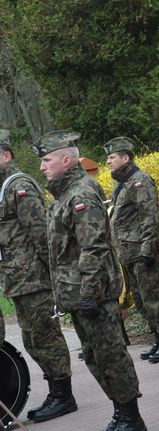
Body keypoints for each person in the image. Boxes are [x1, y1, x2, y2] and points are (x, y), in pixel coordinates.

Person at [33, 130, 146, 431]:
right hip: (78, 294)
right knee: (96, 358)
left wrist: (89, 292)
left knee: (111, 356)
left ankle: (131, 417)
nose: (42, 166)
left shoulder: (81, 193)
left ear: (66, 159)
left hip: (93, 295)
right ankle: (121, 412)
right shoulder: (62, 196)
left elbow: (93, 247)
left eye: (47, 160)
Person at [0, 129, 78, 423]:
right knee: (33, 340)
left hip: (34, 278)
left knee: (46, 337)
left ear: (5, 155)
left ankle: (63, 395)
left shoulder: (19, 186)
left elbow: (40, 234)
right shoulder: (3, 188)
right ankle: (56, 390)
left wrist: (53, 274)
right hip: (18, 280)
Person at [104, 136, 159, 364]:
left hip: (142, 252)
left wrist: (148, 249)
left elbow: (149, 217)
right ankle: (158, 337)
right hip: (128, 253)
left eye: (112, 157)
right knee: (141, 299)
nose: (108, 161)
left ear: (125, 158)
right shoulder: (122, 184)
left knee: (153, 297)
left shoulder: (140, 181)